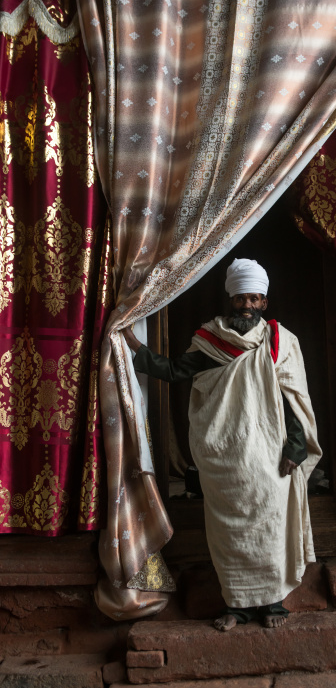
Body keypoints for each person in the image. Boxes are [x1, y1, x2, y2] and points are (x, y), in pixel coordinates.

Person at [122, 258, 322, 631]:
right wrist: (134, 346)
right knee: (229, 535)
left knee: (270, 529)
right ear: (230, 300)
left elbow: (293, 399)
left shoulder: (281, 341)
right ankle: (237, 606)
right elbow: (175, 370)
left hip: (271, 456)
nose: (246, 306)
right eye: (240, 299)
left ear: (263, 302)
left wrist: (295, 449)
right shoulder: (209, 340)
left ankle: (273, 605)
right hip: (225, 458)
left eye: (253, 299)